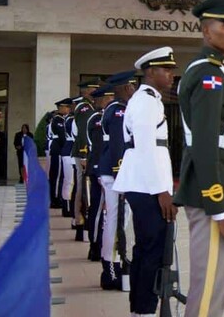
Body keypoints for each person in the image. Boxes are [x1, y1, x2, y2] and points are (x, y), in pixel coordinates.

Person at [174, 0, 224, 317]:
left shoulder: (214, 69)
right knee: (208, 290)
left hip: (215, 189)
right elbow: (204, 144)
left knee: (214, 284)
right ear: (206, 30)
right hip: (210, 196)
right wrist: (219, 212)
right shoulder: (209, 73)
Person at [113, 47, 179, 316]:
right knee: (151, 249)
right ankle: (145, 310)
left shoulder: (150, 99)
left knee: (149, 248)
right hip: (147, 186)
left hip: (146, 184)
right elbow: (145, 147)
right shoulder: (145, 101)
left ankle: (142, 309)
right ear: (150, 72)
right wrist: (161, 190)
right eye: (167, 70)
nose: (172, 75)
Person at [97, 70, 136, 291]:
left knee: (120, 219)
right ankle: (110, 268)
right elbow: (117, 147)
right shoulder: (118, 112)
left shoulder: (120, 110)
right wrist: (121, 175)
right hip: (115, 174)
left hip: (118, 174)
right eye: (130, 87)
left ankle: (116, 261)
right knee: (115, 219)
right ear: (121, 89)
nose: (132, 90)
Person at [86, 85, 114, 262]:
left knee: (107, 212)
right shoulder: (97, 119)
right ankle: (95, 246)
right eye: (109, 98)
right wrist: (97, 168)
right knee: (97, 210)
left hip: (106, 168)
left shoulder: (109, 115)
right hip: (99, 168)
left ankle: (102, 244)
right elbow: (97, 147)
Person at [71, 78, 100, 242]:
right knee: (83, 189)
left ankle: (80, 221)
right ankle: (80, 222)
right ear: (86, 91)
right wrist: (83, 154)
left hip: (86, 153)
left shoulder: (89, 106)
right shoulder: (84, 108)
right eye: (93, 89)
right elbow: (83, 133)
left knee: (83, 188)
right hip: (83, 153)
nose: (96, 92)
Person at [48, 98, 71, 210]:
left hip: (57, 150)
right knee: (56, 176)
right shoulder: (58, 119)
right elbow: (62, 136)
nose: (68, 109)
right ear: (61, 108)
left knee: (59, 175)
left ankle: (56, 197)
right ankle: (55, 199)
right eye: (66, 107)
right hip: (58, 150)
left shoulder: (60, 119)